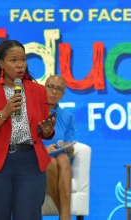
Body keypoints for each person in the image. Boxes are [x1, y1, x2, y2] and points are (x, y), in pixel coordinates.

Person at [0, 40, 55, 220]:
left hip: (30, 162)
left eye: (23, 60)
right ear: (1, 63)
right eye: (14, 60)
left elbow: (45, 131)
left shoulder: (38, 90)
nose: (20, 64)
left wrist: (47, 130)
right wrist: (3, 113)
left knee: (28, 216)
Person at [42, 75, 77, 220]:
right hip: (39, 158)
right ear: (43, 89)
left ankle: (64, 217)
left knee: (63, 158)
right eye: (50, 86)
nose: (54, 91)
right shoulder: (33, 111)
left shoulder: (68, 117)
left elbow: (68, 141)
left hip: (60, 156)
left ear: (63, 94)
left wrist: (70, 148)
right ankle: (65, 215)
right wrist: (44, 149)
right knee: (50, 162)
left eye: (59, 89)